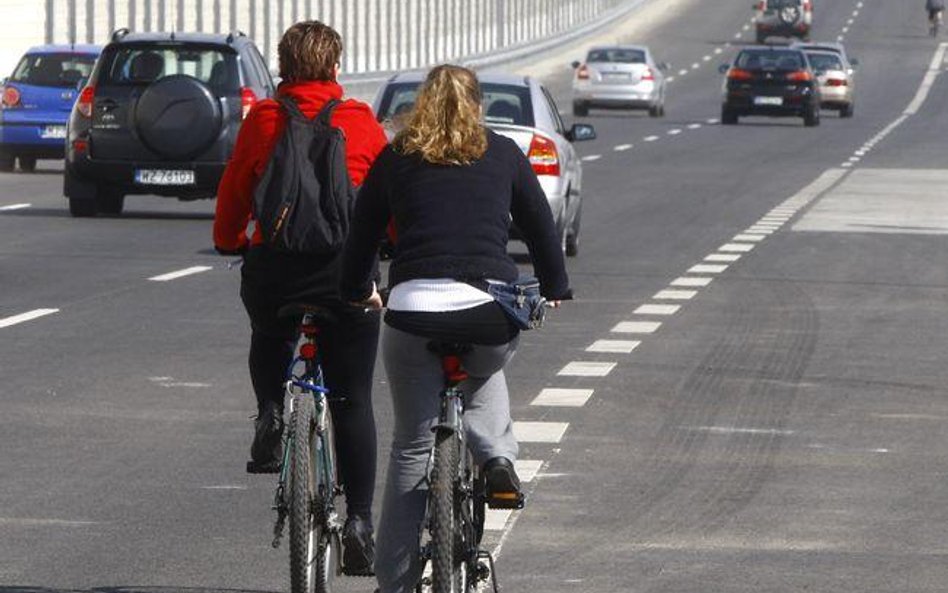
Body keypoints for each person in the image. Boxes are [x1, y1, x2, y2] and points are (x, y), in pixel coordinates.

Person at [339, 64, 572, 593]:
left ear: (421, 104)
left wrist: (356, 288)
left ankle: (394, 584)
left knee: (411, 448)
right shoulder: (503, 152)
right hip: (487, 309)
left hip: (412, 309)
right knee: (485, 366)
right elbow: (539, 223)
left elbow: (363, 231)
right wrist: (555, 286)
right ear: (478, 105)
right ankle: (496, 458)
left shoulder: (396, 157)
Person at [212, 20, 388, 576]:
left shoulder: (263, 119)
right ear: (336, 68)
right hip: (344, 276)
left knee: (268, 333)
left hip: (276, 272)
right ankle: (359, 522)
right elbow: (387, 200)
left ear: (283, 68)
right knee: (354, 398)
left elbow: (236, 188)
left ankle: (269, 412)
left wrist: (227, 240)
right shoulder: (359, 122)